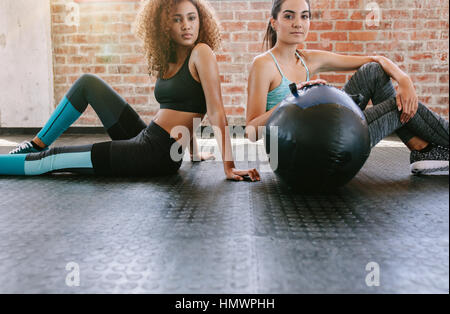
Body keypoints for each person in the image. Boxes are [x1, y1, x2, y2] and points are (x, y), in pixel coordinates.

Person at [1, 0, 260, 182]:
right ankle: (33, 144)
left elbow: (215, 111)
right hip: (149, 137)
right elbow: (187, 106)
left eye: (192, 18)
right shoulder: (168, 57)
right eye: (177, 19)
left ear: (200, 20)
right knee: (88, 83)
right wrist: (193, 152)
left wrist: (229, 166)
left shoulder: (201, 52)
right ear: (164, 24)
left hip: (155, 154)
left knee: (53, 159)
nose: (186, 26)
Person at [245, 0, 449, 174]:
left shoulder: (308, 59)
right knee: (396, 106)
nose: (298, 23)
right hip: (306, 153)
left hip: (330, 134)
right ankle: (426, 149)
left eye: (304, 16)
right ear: (274, 22)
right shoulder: (263, 64)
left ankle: (421, 149)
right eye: (289, 16)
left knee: (373, 71)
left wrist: (404, 80)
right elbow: (251, 132)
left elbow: (375, 60)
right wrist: (292, 98)